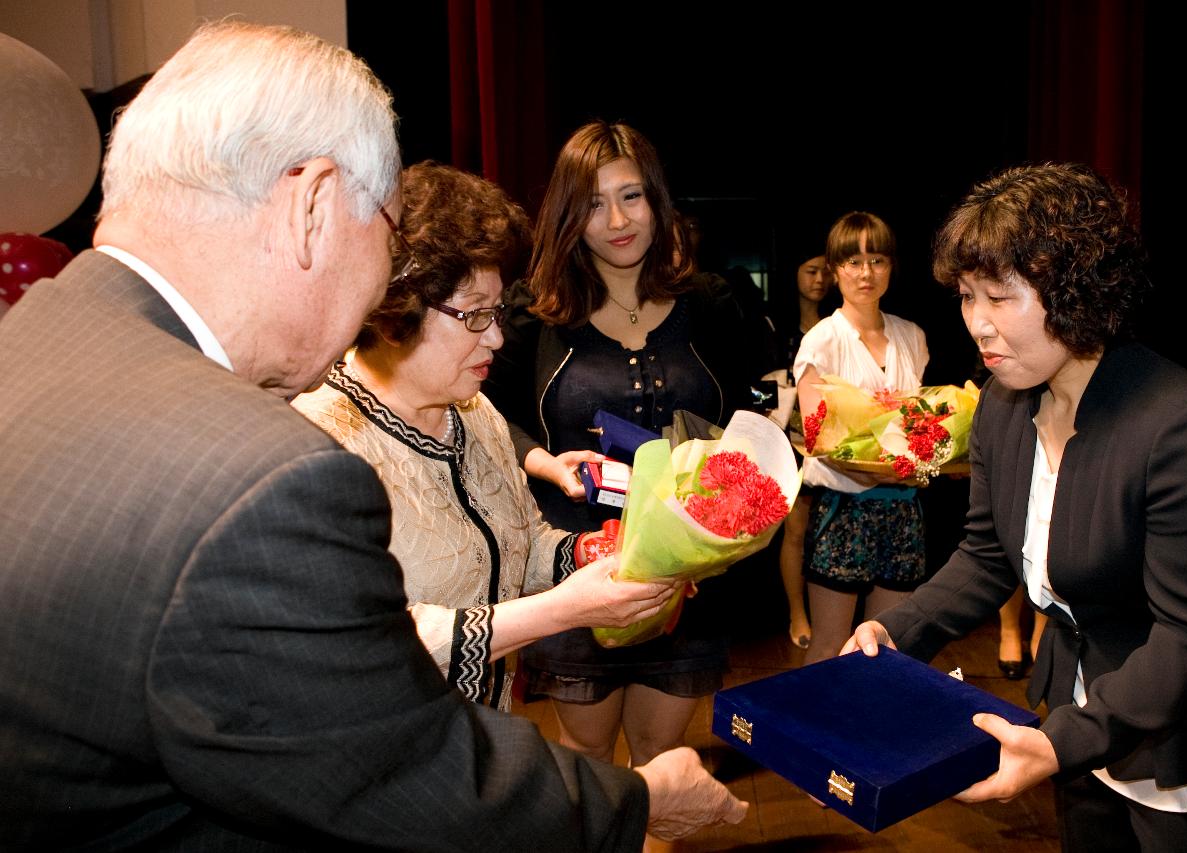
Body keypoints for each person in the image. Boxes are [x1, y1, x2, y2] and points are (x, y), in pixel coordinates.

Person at [0, 23, 745, 850]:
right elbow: (397, 765)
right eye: (384, 235)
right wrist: (633, 801)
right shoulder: (276, 472)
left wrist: (591, 558)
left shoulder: (38, 339)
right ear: (315, 204)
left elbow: (517, 540)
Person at [847, 163, 1187, 851]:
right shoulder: (1003, 402)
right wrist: (899, 631)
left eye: (1000, 296)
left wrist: (1058, 743)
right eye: (966, 297)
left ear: (1077, 287)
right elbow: (989, 555)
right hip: (1073, 731)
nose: (978, 325)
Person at [293, 162, 674, 711]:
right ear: (394, 307)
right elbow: (374, 643)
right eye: (474, 315)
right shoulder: (321, 443)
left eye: (495, 312)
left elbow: (518, 542)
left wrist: (588, 551)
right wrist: (567, 610)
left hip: (483, 746)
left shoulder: (474, 412)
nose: (495, 336)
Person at [485, 121, 754, 780]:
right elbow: (488, 417)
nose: (616, 220)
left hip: (686, 574)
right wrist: (543, 461)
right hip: (577, 568)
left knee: (666, 765)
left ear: (657, 202)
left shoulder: (710, 304)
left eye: (631, 196)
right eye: (594, 203)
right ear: (569, 215)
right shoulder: (535, 313)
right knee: (586, 764)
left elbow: (742, 422)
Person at [794, 212, 930, 664]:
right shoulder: (822, 341)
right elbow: (819, 439)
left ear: (891, 267)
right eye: (852, 262)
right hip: (844, 511)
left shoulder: (912, 337)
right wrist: (892, 468)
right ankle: (812, 736)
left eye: (877, 260)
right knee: (831, 647)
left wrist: (928, 458)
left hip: (903, 510)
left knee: (887, 651)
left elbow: (921, 429)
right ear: (835, 270)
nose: (865, 273)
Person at [777, 252, 834, 649]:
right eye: (810, 271)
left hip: (834, 439)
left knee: (830, 529)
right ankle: (797, 611)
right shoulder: (773, 324)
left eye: (825, 272)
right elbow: (758, 383)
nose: (819, 280)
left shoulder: (836, 325)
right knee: (795, 528)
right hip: (788, 438)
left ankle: (831, 614)